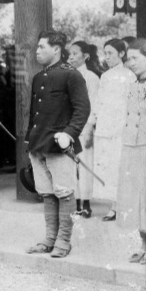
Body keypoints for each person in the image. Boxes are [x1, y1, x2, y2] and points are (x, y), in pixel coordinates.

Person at [25, 31, 90, 258]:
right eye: (37, 47)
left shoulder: (71, 75)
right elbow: (35, 113)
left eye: (42, 47)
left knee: (65, 193)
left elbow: (82, 109)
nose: (37, 51)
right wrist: (29, 139)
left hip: (60, 145)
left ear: (56, 49)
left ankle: (63, 240)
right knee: (46, 193)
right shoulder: (38, 77)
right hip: (38, 144)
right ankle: (50, 239)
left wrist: (70, 134)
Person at [90, 38, 136, 221]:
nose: (106, 57)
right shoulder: (105, 76)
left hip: (121, 129)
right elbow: (99, 102)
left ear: (122, 54)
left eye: (110, 53)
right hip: (105, 128)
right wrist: (95, 120)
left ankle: (124, 207)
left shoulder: (129, 76)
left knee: (121, 168)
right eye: (105, 53)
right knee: (107, 167)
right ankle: (113, 206)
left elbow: (130, 105)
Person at [116, 38, 146, 264]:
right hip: (132, 146)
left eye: (136, 58)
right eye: (129, 58)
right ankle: (144, 244)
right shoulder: (132, 85)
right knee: (135, 199)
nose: (131, 62)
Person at [67, 40, 101, 218]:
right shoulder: (67, 75)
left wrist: (89, 128)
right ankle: (74, 203)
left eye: (75, 53)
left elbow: (93, 105)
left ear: (85, 56)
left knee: (84, 165)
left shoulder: (91, 78)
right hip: (68, 128)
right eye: (69, 54)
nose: (71, 57)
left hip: (83, 128)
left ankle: (85, 204)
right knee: (71, 166)